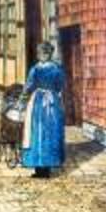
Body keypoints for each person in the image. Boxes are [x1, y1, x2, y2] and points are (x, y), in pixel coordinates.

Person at [20, 47, 68, 178]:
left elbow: (29, 85)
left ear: (49, 54)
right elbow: (60, 85)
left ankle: (44, 168)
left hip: (42, 102)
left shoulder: (41, 69)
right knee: (41, 132)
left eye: (45, 53)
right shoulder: (53, 68)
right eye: (41, 53)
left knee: (45, 132)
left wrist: (23, 97)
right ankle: (42, 168)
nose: (42, 55)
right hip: (49, 102)